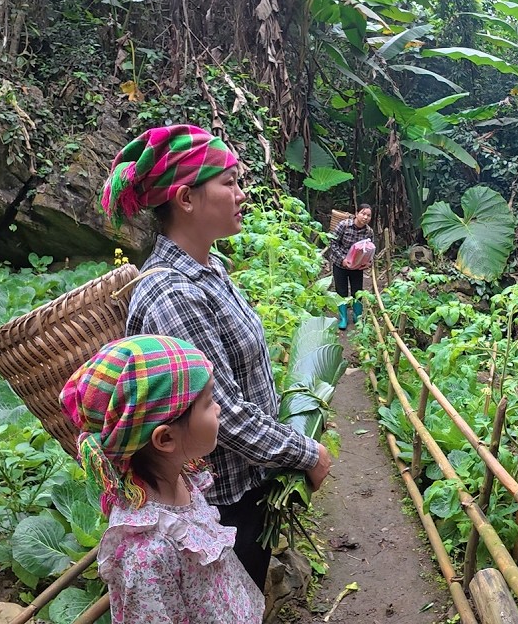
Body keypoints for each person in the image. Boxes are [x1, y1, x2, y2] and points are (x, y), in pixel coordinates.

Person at [100, 124, 332, 591]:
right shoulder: (173, 294)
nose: (240, 194)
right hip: (222, 499)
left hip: (247, 480)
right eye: (228, 183)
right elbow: (222, 414)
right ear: (186, 199)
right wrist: (308, 453)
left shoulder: (211, 267)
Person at [61, 334, 264, 623]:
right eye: (208, 402)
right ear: (165, 437)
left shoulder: (179, 475)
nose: (218, 408)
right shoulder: (146, 555)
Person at [324, 204, 374, 329]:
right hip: (340, 263)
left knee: (357, 291)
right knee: (341, 291)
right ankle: (343, 318)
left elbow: (370, 249)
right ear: (356, 213)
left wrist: (368, 262)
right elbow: (333, 242)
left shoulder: (369, 232)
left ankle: (357, 317)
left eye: (368, 215)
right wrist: (343, 259)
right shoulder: (344, 225)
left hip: (357, 266)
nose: (365, 217)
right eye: (363, 213)